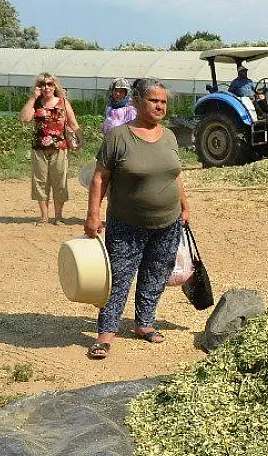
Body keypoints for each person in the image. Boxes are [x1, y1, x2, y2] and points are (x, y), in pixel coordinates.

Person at [84, 78, 191, 359]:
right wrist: (93, 215)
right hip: (126, 223)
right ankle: (106, 333)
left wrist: (185, 207)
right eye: (154, 100)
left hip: (167, 221)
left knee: (156, 274)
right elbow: (100, 178)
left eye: (164, 101)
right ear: (137, 102)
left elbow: (176, 174)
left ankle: (144, 324)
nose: (160, 106)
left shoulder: (169, 136)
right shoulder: (118, 137)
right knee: (118, 278)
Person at [19, 72, 80, 225]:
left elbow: (73, 123)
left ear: (55, 86)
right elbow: (24, 119)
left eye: (49, 84)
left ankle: (58, 216)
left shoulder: (63, 102)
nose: (46, 87)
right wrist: (33, 97)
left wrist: (80, 140)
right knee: (40, 181)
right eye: (42, 84)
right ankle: (44, 216)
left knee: (59, 181)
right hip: (39, 148)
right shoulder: (36, 103)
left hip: (60, 147)